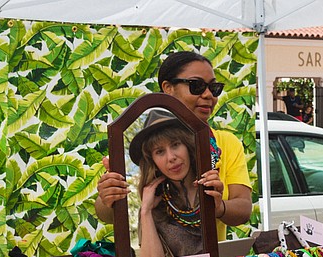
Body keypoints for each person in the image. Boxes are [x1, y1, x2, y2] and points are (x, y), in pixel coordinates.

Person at [95, 51, 252, 242]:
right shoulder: (142, 142)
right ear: (168, 88)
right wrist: (108, 196)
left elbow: (243, 208)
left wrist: (219, 207)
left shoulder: (226, 143)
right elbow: (110, 214)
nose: (208, 95)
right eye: (197, 86)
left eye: (214, 88)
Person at [130, 110, 223, 257]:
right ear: (152, 161)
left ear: (187, 145)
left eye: (175, 145)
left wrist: (219, 207)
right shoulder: (155, 205)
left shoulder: (210, 187)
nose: (171, 157)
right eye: (160, 152)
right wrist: (145, 211)